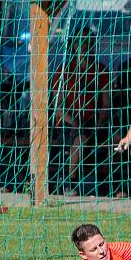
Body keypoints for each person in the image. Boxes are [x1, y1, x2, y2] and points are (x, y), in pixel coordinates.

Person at [51, 32, 111, 195]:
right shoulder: (64, 71)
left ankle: (116, 185)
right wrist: (73, 121)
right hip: (68, 123)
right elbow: (57, 107)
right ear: (74, 46)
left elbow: (106, 104)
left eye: (88, 43)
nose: (84, 48)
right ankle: (72, 183)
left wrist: (99, 123)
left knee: (117, 138)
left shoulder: (100, 71)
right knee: (79, 140)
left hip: (92, 122)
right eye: (81, 43)